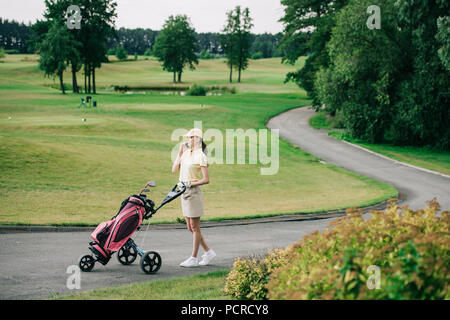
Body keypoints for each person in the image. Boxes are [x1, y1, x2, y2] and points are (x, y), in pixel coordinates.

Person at [172, 128, 216, 267]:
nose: (188, 140)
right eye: (187, 138)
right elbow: (174, 170)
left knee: (195, 227)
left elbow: (206, 179)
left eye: (191, 138)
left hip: (193, 192)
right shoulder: (185, 153)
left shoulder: (200, 156)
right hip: (183, 192)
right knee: (190, 227)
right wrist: (179, 154)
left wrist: (190, 183)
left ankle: (194, 258)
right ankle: (208, 252)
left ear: (197, 139)